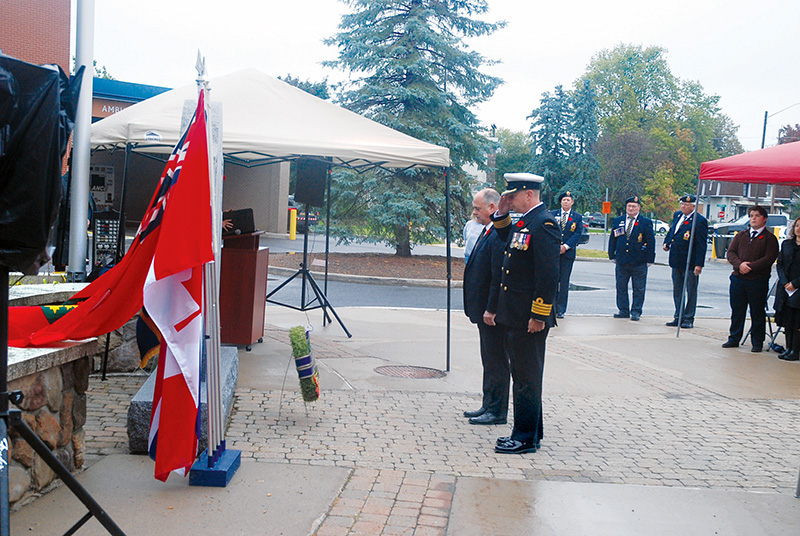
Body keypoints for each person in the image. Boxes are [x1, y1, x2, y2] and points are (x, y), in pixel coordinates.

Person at [490, 172, 560, 454]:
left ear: (529, 194)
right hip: (517, 314)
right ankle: (532, 431)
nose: (510, 200)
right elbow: (509, 241)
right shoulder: (527, 221)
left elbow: (548, 273)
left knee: (526, 377)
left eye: (513, 196)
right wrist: (502, 213)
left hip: (528, 317)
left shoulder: (543, 223)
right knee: (522, 375)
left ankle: (525, 438)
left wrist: (539, 315)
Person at [462, 188, 509, 424]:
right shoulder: (487, 230)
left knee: (496, 360)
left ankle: (497, 411)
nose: (475, 212)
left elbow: (497, 277)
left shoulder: (498, 236)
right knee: (488, 360)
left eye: (478, 208)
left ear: (492, 208)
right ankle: (487, 404)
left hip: (492, 314)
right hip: (483, 311)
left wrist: (491, 309)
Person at [722, 205, 779, 352]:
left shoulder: (769, 238)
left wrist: (750, 267)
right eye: (751, 215)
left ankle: (757, 342)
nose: (753, 218)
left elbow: (769, 258)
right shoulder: (741, 235)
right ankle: (734, 338)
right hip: (738, 279)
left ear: (764, 219)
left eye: (757, 216)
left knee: (757, 312)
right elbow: (731, 253)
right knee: (737, 310)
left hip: (757, 281)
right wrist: (739, 264)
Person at [662, 194, 708, 329]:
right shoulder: (678, 216)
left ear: (694, 206)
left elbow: (701, 245)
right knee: (678, 290)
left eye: (687, 205)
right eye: (682, 204)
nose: (683, 207)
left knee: (691, 291)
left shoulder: (699, 221)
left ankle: (688, 318)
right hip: (676, 260)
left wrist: (699, 264)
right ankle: (678, 316)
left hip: (690, 262)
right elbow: (673, 231)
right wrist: (667, 242)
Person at [608, 196, 655, 321]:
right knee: (621, 286)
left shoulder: (645, 222)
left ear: (639, 208)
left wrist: (650, 259)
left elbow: (651, 241)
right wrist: (611, 255)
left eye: (634, 206)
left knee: (638, 288)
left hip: (639, 261)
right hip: (622, 260)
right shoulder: (619, 220)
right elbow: (613, 238)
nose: (631, 208)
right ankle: (623, 310)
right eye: (629, 206)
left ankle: (636, 311)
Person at [551, 191, 583, 319]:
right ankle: (551, 307)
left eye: (568, 200)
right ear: (560, 201)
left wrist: (565, 247)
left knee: (564, 282)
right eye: (564, 200)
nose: (566, 202)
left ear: (572, 202)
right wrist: (556, 246)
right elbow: (549, 231)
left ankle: (561, 309)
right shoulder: (553, 215)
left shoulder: (577, 217)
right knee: (552, 280)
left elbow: (577, 234)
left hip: (567, 254)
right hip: (553, 253)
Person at [775, 216, 800, 361]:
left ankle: (795, 351)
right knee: (787, 320)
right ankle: (788, 348)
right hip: (785, 288)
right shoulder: (786, 244)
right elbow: (780, 264)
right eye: (797, 225)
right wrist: (785, 282)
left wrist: (795, 284)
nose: (798, 228)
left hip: (797, 288)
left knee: (796, 321)